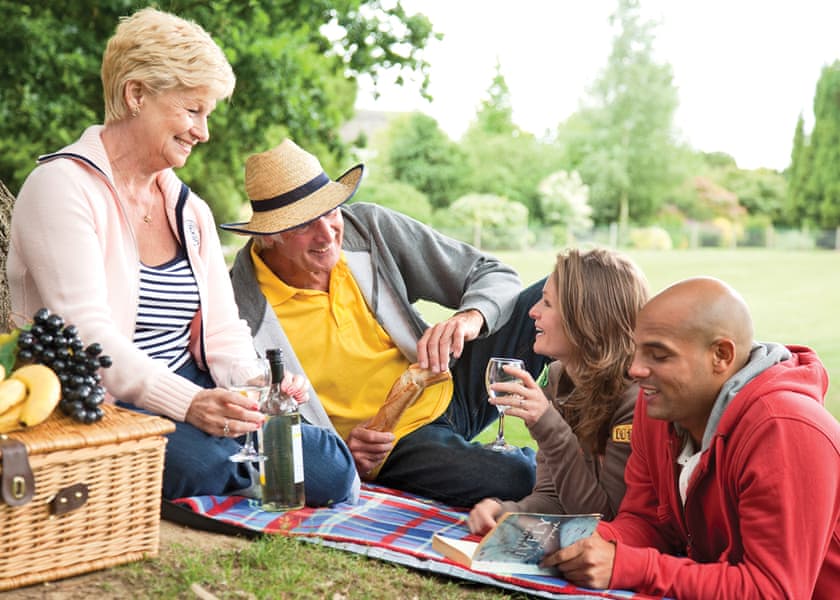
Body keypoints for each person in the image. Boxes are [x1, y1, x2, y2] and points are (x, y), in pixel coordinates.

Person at [6, 8, 357, 506]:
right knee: (205, 463)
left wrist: (253, 384)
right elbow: (88, 337)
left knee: (332, 467)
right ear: (136, 95)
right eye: (193, 111)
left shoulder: (190, 210)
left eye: (207, 114)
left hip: (194, 389)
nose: (204, 131)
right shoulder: (61, 187)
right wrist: (189, 404)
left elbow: (223, 331)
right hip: (101, 399)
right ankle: (216, 476)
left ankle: (224, 478)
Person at [224, 139, 549, 508]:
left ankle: (613, 440)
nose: (328, 233)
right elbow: (264, 425)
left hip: (451, 380)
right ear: (268, 235)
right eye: (304, 225)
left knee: (566, 292)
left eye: (331, 211)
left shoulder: (370, 229)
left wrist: (471, 317)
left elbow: (492, 272)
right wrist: (343, 454)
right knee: (521, 476)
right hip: (394, 443)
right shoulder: (237, 308)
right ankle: (575, 476)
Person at [543, 277, 840, 598]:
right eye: (637, 351)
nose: (635, 370)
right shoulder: (659, 405)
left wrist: (634, 566)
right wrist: (579, 539)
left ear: (721, 356)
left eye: (658, 355)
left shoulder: (783, 428)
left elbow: (774, 591)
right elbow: (647, 522)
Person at [468, 248, 649, 534]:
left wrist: (549, 426)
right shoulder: (558, 377)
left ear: (586, 319)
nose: (533, 311)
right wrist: (506, 511)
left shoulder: (636, 399)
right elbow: (554, 498)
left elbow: (603, 520)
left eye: (548, 303)